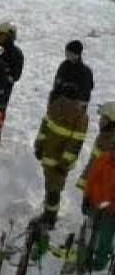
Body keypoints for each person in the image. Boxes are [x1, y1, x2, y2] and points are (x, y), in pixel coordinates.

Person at [35, 95, 89, 227]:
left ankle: (50, 218)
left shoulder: (74, 114)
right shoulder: (63, 109)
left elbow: (75, 143)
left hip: (57, 161)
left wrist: (64, 162)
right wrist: (40, 145)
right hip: (52, 158)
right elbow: (46, 125)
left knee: (54, 189)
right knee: (51, 188)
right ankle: (48, 214)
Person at [81, 147, 115, 272]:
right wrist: (86, 197)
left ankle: (100, 262)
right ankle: (84, 255)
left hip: (112, 210)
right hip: (96, 202)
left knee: (106, 233)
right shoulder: (102, 160)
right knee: (90, 228)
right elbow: (91, 179)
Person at [78, 102, 115, 193]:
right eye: (101, 118)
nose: (100, 121)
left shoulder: (110, 140)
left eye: (104, 119)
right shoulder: (102, 137)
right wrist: (84, 181)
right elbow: (93, 162)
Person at [50, 40, 94, 105]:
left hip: (77, 104)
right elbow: (57, 84)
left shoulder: (85, 71)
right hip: (62, 100)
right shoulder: (63, 66)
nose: (67, 55)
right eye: (66, 53)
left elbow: (86, 93)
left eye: (70, 53)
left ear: (77, 55)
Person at [0, 22, 25, 116]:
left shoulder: (16, 54)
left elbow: (16, 75)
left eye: (1, 34)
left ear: (9, 36)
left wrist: (3, 73)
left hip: (3, 92)